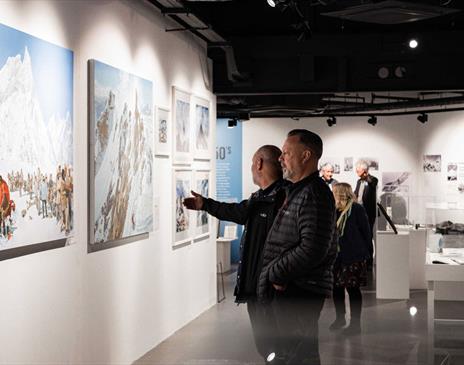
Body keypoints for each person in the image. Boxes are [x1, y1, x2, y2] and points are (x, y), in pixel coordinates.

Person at [183, 145, 288, 364]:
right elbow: (238, 212)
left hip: (273, 287)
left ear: (259, 163)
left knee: (280, 347)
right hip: (258, 286)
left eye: (252, 163)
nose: (251, 168)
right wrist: (205, 204)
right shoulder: (261, 197)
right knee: (267, 346)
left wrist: (281, 275)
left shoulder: (284, 196)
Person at [257, 129, 338, 365]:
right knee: (292, 354)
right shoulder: (300, 190)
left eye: (286, 153)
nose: (281, 159)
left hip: (298, 291)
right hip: (292, 289)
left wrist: (276, 272)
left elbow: (313, 248)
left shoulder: (314, 194)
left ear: (306, 156)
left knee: (297, 356)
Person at [330, 183, 371, 335]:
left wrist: (368, 256)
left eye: (334, 192)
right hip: (337, 256)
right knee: (336, 288)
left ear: (340, 193)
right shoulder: (334, 210)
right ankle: (340, 318)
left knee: (353, 290)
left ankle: (355, 324)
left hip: (353, 256)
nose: (332, 194)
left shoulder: (356, 209)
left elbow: (366, 233)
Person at [354, 160, 378, 266]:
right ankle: (360, 259)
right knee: (359, 235)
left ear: (364, 171)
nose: (356, 172)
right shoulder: (359, 181)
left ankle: (369, 262)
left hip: (368, 214)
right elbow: (356, 193)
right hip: (358, 213)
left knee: (368, 236)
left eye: (358, 170)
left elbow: (372, 182)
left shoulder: (372, 180)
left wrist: (366, 175)